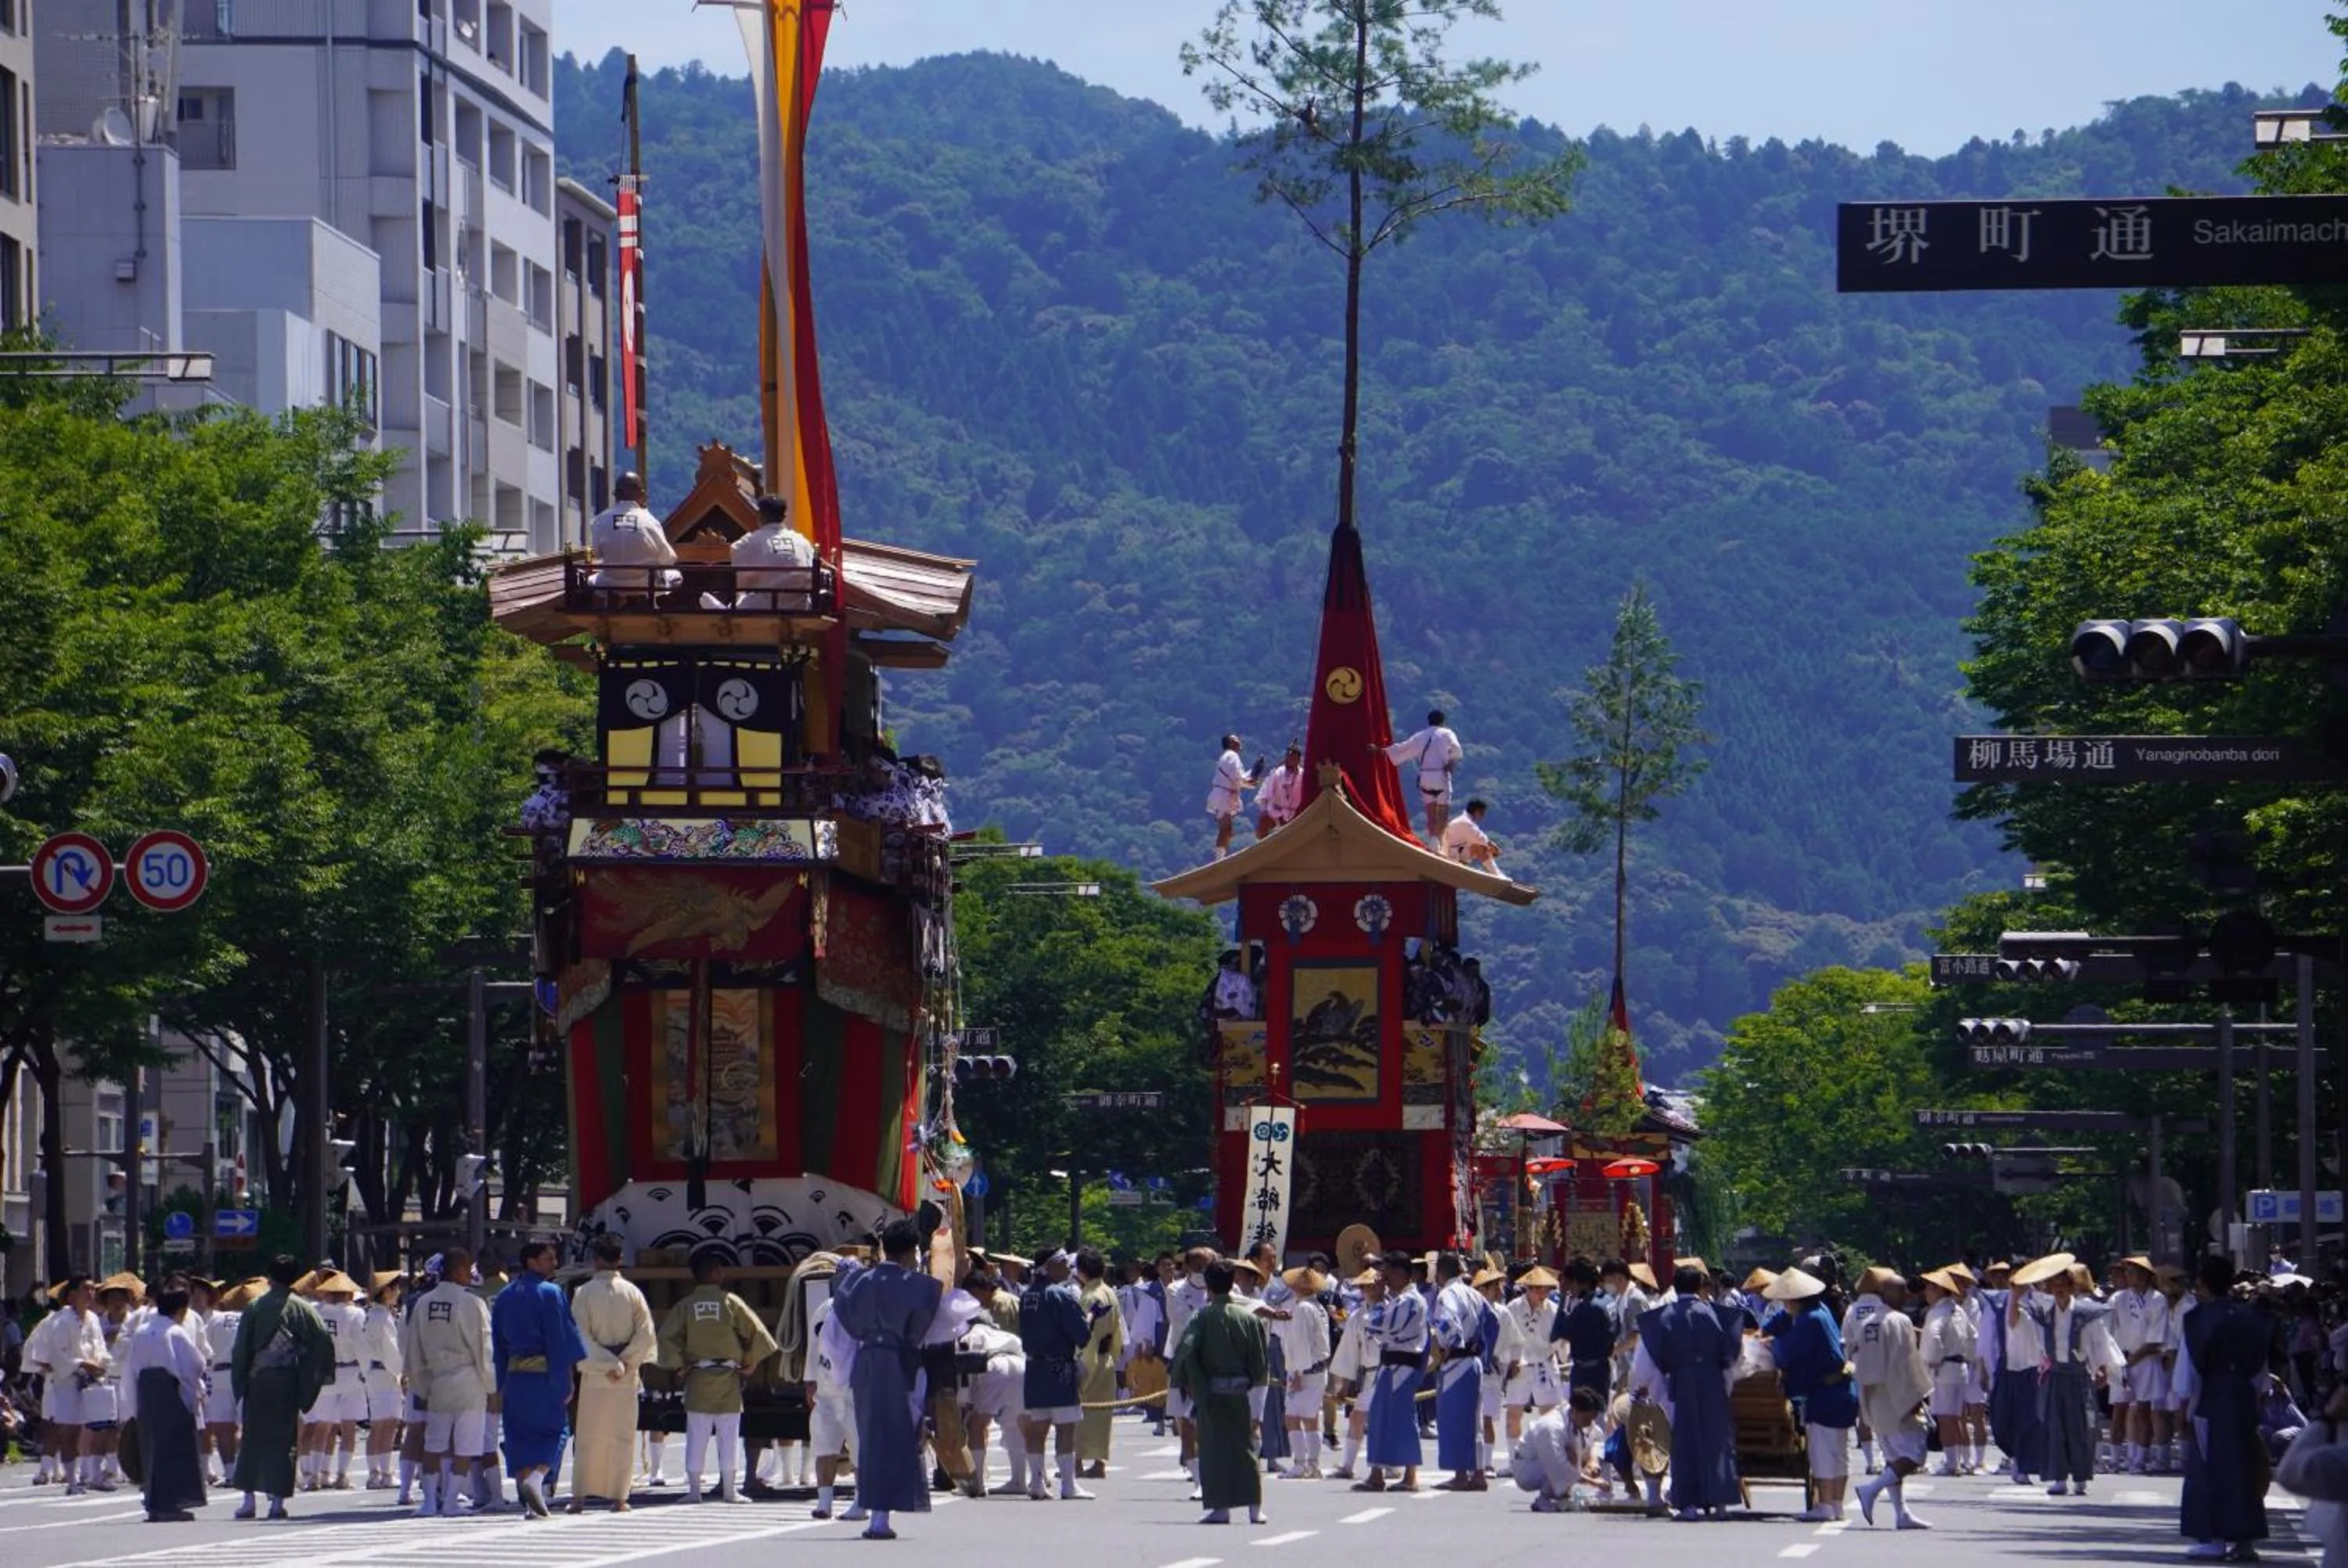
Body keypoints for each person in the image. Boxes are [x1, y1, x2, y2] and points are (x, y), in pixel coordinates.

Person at [831, 1220, 944, 1540]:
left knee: (870, 1436)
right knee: (898, 1438)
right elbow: (929, 1326)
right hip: (900, 1361)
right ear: (911, 1251)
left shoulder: (858, 1281)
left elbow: (841, 1321)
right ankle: (880, 1516)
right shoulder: (918, 1285)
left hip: (866, 1360)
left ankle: (873, 1511)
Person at [656, 1249, 779, 1506]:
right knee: (729, 1435)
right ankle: (729, 1490)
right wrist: (750, 1361)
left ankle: (693, 1489)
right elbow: (758, 1333)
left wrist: (679, 1365)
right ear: (714, 1272)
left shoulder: (686, 1305)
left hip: (698, 1375)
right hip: (728, 1376)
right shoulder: (730, 1301)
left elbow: (666, 1337)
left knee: (697, 1434)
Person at [2173, 1254, 2270, 1562]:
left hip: (2211, 1396)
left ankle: (2213, 1537)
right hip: (2243, 1395)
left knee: (2209, 1468)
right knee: (2244, 1467)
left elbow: (2186, 1375)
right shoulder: (2251, 1317)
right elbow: (2261, 1372)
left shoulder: (2196, 1318)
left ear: (2202, 1283)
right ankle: (2245, 1541)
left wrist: (2183, 1409)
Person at [1166, 1257, 1270, 1526]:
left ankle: (1220, 1507)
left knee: (1213, 1449)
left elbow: (1186, 1352)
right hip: (1243, 1394)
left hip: (1211, 1393)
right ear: (1232, 1283)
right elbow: (1260, 1365)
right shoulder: (1249, 1319)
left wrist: (1190, 1384)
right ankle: (1254, 1508)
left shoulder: (1201, 1317)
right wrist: (1257, 1400)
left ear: (1208, 1287)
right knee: (1245, 1449)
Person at [230, 1255, 334, 1521]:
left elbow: (241, 1350)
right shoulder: (304, 1309)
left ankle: (248, 1501)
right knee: (283, 1441)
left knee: (252, 1438)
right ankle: (277, 1503)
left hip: (258, 1380)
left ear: (269, 1276)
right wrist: (308, 1375)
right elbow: (322, 1343)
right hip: (287, 1380)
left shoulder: (255, 1307)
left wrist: (240, 1381)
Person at [1640, 1263, 1745, 1520]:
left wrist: (1648, 1388)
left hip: (1681, 1380)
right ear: (1700, 1287)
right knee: (1716, 1440)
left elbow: (1651, 1360)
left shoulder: (1664, 1316)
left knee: (1684, 1442)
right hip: (1712, 1380)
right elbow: (1733, 1354)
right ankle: (1719, 1502)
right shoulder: (1717, 1314)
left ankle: (1687, 1504)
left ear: (1675, 1287)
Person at [492, 1239, 587, 1518]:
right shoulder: (551, 1293)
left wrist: (499, 1382)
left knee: (519, 1435)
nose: (554, 1263)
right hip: (545, 1374)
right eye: (548, 1258)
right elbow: (560, 1338)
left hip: (515, 1375)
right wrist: (567, 1376)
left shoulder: (505, 1295)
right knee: (558, 1430)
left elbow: (498, 1344)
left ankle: (531, 1500)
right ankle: (537, 1479)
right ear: (532, 1261)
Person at [402, 1247, 497, 1519]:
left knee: (434, 1444)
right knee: (466, 1445)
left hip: (436, 1381)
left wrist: (419, 1383)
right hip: (469, 1380)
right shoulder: (472, 1303)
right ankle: (452, 1500)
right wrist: (491, 1387)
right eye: (468, 1270)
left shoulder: (423, 1302)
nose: (470, 1275)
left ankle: (430, 1501)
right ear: (457, 1270)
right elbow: (484, 1348)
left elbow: (414, 1347)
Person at [2011, 1255, 2117, 1497]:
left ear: (2073, 1288)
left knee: (2081, 1427)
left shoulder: (2084, 1312)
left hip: (2079, 1375)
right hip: (2054, 1375)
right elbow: (2019, 1320)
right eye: (2055, 1286)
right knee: (2053, 1427)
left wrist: (2102, 1366)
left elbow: (2099, 1341)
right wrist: (2017, 1292)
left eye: (2064, 1286)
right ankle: (2059, 1477)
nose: (2059, 1291)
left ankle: (2081, 1476)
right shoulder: (2044, 1312)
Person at [570, 1233, 656, 1513]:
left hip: (596, 1372)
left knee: (588, 1435)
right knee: (622, 1436)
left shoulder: (583, 1293)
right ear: (620, 1259)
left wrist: (607, 1363)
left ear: (595, 1260)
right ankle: (620, 1497)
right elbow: (646, 1334)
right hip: (625, 1373)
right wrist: (625, 1364)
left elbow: (579, 1336)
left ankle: (579, 1497)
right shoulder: (633, 1293)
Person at [1765, 1266, 1859, 1521]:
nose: (1783, 1303)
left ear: (1795, 1299)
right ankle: (1836, 1504)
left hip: (1825, 1394)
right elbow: (1775, 1326)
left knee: (1822, 1451)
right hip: (1842, 1390)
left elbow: (1785, 1352)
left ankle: (1825, 1505)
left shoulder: (1809, 1321)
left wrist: (1772, 1343)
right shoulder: (1819, 1311)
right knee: (1840, 1451)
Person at [1846, 1265, 1932, 1530]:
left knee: (1894, 1455)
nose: (1907, 1295)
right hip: (1896, 1394)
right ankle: (1871, 1489)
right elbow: (1906, 1363)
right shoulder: (1900, 1321)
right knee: (1916, 1454)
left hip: (1872, 1394)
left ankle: (1901, 1512)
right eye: (1902, 1290)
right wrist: (1916, 1396)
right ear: (1889, 1293)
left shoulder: (1867, 1320)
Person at [128, 1283, 209, 1523]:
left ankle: (154, 1502)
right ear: (181, 1310)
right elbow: (194, 1366)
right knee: (173, 1449)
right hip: (170, 1393)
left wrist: (133, 1403)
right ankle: (169, 1504)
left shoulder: (142, 1331)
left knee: (152, 1449)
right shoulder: (176, 1332)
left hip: (146, 1392)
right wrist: (197, 1391)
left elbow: (131, 1368)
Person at [1017, 1249, 1093, 1500]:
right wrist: (1091, 1317)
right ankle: (1069, 1486)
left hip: (1034, 1369)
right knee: (1065, 1428)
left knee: (1038, 1429)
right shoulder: (1060, 1295)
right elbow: (1081, 1335)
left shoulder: (1027, 1296)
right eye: (1063, 1264)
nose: (1068, 1269)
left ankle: (1037, 1483)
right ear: (1051, 1266)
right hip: (1059, 1368)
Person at [23, 1275, 106, 1494]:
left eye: (92, 1289)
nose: (90, 1293)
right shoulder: (60, 1321)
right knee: (69, 1430)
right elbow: (57, 1354)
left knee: (91, 1429)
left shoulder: (94, 1319)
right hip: (66, 1381)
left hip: (91, 1380)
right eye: (85, 1289)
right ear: (72, 1295)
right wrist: (81, 1363)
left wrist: (100, 1362)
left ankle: (88, 1474)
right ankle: (71, 1481)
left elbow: (100, 1346)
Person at [1356, 1250, 1428, 1494]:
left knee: (1403, 1419)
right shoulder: (1397, 1300)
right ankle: (1377, 1473)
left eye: (1386, 1272)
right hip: (1390, 1364)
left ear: (1400, 1274)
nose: (1382, 1278)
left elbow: (1378, 1325)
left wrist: (1376, 1301)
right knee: (1379, 1418)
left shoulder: (1411, 1301)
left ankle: (1410, 1474)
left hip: (1403, 1366)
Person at [1428, 1253, 1493, 1491]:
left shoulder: (1447, 1294)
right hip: (1474, 1361)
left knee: (1455, 1418)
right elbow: (1493, 1321)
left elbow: (1446, 1321)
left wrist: (1449, 1346)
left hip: (1456, 1361)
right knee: (1473, 1420)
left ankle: (1460, 1475)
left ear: (1441, 1273)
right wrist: (1485, 1351)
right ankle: (1478, 1473)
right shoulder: (1474, 1293)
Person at [301, 1271, 366, 1492]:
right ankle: (341, 1475)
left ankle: (315, 1475)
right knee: (348, 1427)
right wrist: (365, 1371)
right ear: (348, 1293)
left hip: (325, 1373)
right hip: (350, 1372)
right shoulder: (355, 1315)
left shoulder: (316, 1312)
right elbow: (361, 1346)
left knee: (322, 1426)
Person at [2109, 1255, 2170, 1475]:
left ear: (2145, 1274)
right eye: (2126, 1271)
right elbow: (2108, 1331)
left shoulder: (2158, 1299)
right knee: (2119, 1409)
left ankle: (2139, 1459)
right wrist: (2116, 1357)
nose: (2128, 1275)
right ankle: (2115, 1460)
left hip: (2146, 1360)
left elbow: (2157, 1338)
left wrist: (2136, 1356)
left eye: (2132, 1271)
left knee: (2144, 1410)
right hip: (2120, 1359)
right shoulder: (2117, 1299)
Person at [1275, 1265, 1333, 1479]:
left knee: (1293, 1417)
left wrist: (1297, 1373)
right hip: (1317, 1368)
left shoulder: (1304, 1309)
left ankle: (1301, 1463)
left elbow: (1301, 1343)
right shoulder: (1317, 1307)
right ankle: (1312, 1464)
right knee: (1310, 1418)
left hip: (1305, 1370)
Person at [1513, 1385, 1610, 1512]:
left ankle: (1560, 1495)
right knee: (1568, 1454)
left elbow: (1597, 1437)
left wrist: (1593, 1460)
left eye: (1592, 1419)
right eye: (1587, 1419)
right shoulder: (1551, 1426)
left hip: (1546, 1461)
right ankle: (1544, 1499)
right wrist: (1592, 1481)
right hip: (1527, 1469)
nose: (1589, 1422)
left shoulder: (1576, 1416)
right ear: (1575, 1411)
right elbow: (1557, 1464)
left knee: (1579, 1452)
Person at [1919, 1268, 1976, 1476]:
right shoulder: (1958, 1310)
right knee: (1956, 1416)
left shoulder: (1937, 1313)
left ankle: (1952, 1462)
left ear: (1939, 1290)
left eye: (1929, 1288)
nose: (1926, 1292)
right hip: (1960, 1368)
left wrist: (1931, 1360)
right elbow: (1973, 1337)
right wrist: (1967, 1356)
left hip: (1943, 1369)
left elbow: (1933, 1337)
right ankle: (1961, 1459)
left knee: (1945, 1418)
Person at [1073, 1248, 1122, 1479]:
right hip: (1107, 1358)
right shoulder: (1109, 1292)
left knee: (1082, 1411)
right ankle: (1099, 1462)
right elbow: (1118, 1329)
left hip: (1090, 1357)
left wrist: (1082, 1361)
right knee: (1102, 1414)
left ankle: (1077, 1462)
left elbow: (1086, 1333)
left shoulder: (1092, 1296)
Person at [588, 471, 680, 595]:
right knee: (675, 576)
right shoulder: (650, 520)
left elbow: (596, 553)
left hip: (611, 583)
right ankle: (650, 606)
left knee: (593, 579)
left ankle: (612, 605)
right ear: (642, 495)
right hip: (646, 584)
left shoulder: (600, 520)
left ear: (616, 495)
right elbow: (669, 557)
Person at [722, 494, 816, 611]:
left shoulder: (749, 542)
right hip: (799, 606)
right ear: (784, 516)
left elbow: (741, 580)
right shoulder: (802, 542)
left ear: (759, 515)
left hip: (761, 606)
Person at [1382, 708, 1462, 842]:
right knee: (1442, 814)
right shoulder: (1447, 733)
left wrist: (1382, 751)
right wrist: (1451, 762)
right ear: (1442, 721)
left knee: (1431, 815)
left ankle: (1432, 840)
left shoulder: (1420, 736)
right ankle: (1437, 843)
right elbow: (1457, 750)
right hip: (1441, 775)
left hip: (1425, 776)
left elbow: (1403, 748)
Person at [358, 1274, 405, 1490]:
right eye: (395, 1289)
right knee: (389, 1424)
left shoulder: (371, 1315)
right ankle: (384, 1472)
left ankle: (375, 1473)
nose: (398, 1293)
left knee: (379, 1424)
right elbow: (391, 1350)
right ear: (387, 1291)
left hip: (373, 1372)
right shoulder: (382, 1317)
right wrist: (402, 1373)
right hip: (386, 1373)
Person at [1205, 734, 1259, 860]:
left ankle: (1220, 856)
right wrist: (1250, 780)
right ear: (1230, 744)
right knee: (1226, 828)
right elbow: (1237, 778)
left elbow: (1237, 778)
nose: (1239, 742)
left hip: (1225, 793)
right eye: (1235, 741)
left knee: (1227, 829)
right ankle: (1219, 859)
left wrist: (1252, 776)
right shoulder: (1232, 756)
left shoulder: (1230, 757)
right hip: (1224, 794)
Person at [1255, 740, 1305, 838]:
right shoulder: (1277, 773)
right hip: (1276, 810)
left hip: (1296, 813)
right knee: (1263, 820)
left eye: (1292, 757)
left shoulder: (1303, 775)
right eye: (1288, 757)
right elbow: (1265, 793)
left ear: (1298, 760)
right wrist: (1265, 810)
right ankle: (1261, 847)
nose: (1289, 759)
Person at [1440, 799, 1504, 873]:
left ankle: (1496, 873)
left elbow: (1479, 837)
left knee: (1484, 847)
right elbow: (1479, 837)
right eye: (1482, 813)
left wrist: (1489, 847)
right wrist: (1492, 847)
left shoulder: (1464, 820)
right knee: (1480, 847)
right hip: (1451, 855)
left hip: (1456, 851)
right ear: (1477, 812)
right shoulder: (1466, 822)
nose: (1483, 816)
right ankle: (1497, 874)